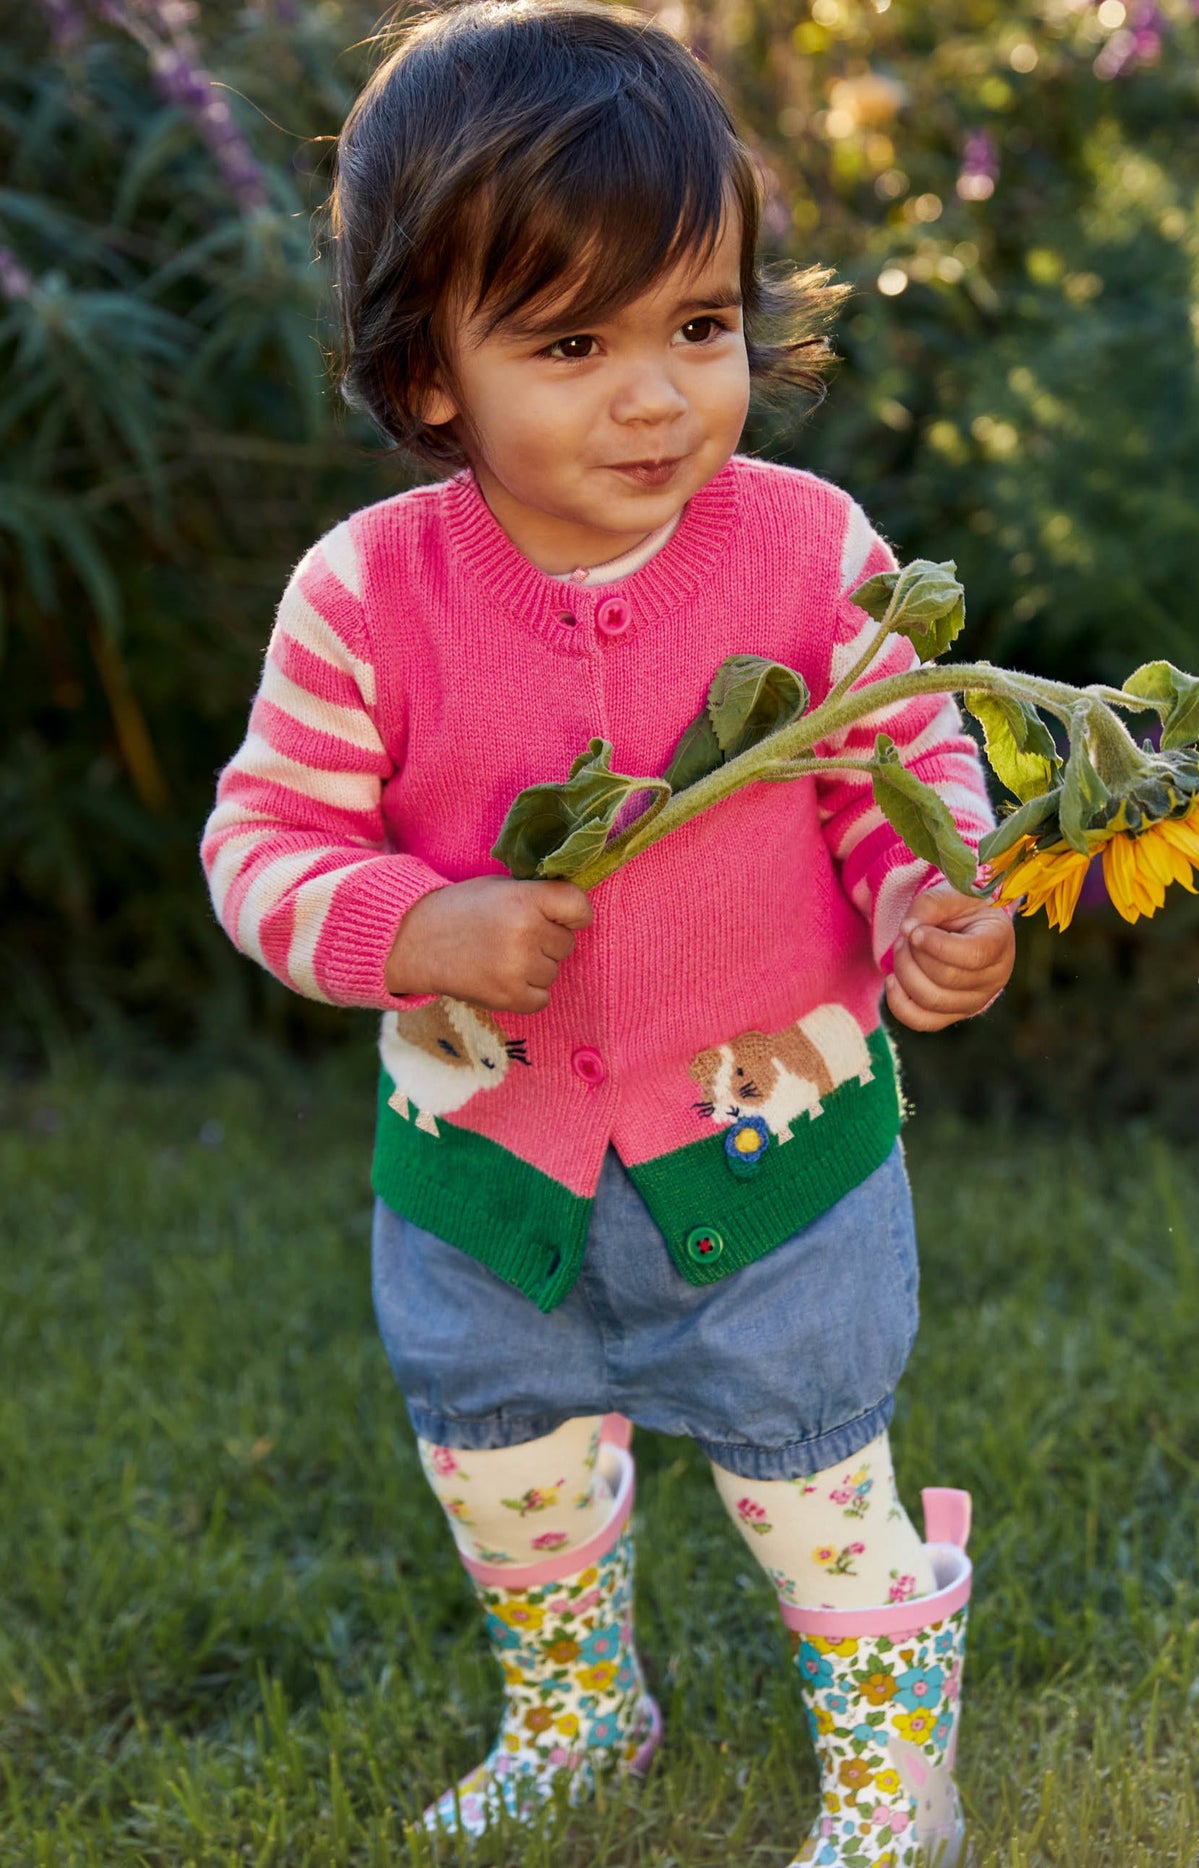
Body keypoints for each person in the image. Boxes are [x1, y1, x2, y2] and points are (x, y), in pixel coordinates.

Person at [201, 2, 1014, 1859]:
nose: (655, 397)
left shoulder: (810, 553)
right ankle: (577, 1714)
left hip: (772, 1155)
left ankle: (895, 1782)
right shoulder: (367, 597)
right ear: (429, 372)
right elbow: (260, 844)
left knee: (813, 1467)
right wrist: (415, 924)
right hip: (491, 1165)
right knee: (506, 1458)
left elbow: (900, 769)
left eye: (697, 326)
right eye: (573, 345)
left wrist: (931, 906)